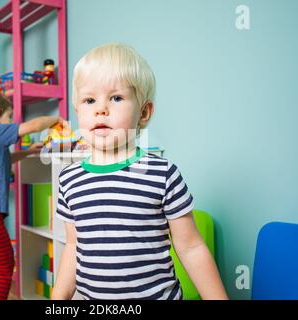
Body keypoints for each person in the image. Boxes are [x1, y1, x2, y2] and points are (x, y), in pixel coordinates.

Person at [52, 43, 228, 300]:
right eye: (89, 100)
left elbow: (190, 247)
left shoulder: (162, 174)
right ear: (78, 111)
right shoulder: (69, 180)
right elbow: (73, 246)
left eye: (116, 97)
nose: (101, 108)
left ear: (144, 112)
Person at [0, 88, 62, 300]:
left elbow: (2, 160)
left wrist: (28, 152)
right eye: (8, 117)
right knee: (5, 269)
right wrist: (57, 118)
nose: (9, 123)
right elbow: (33, 125)